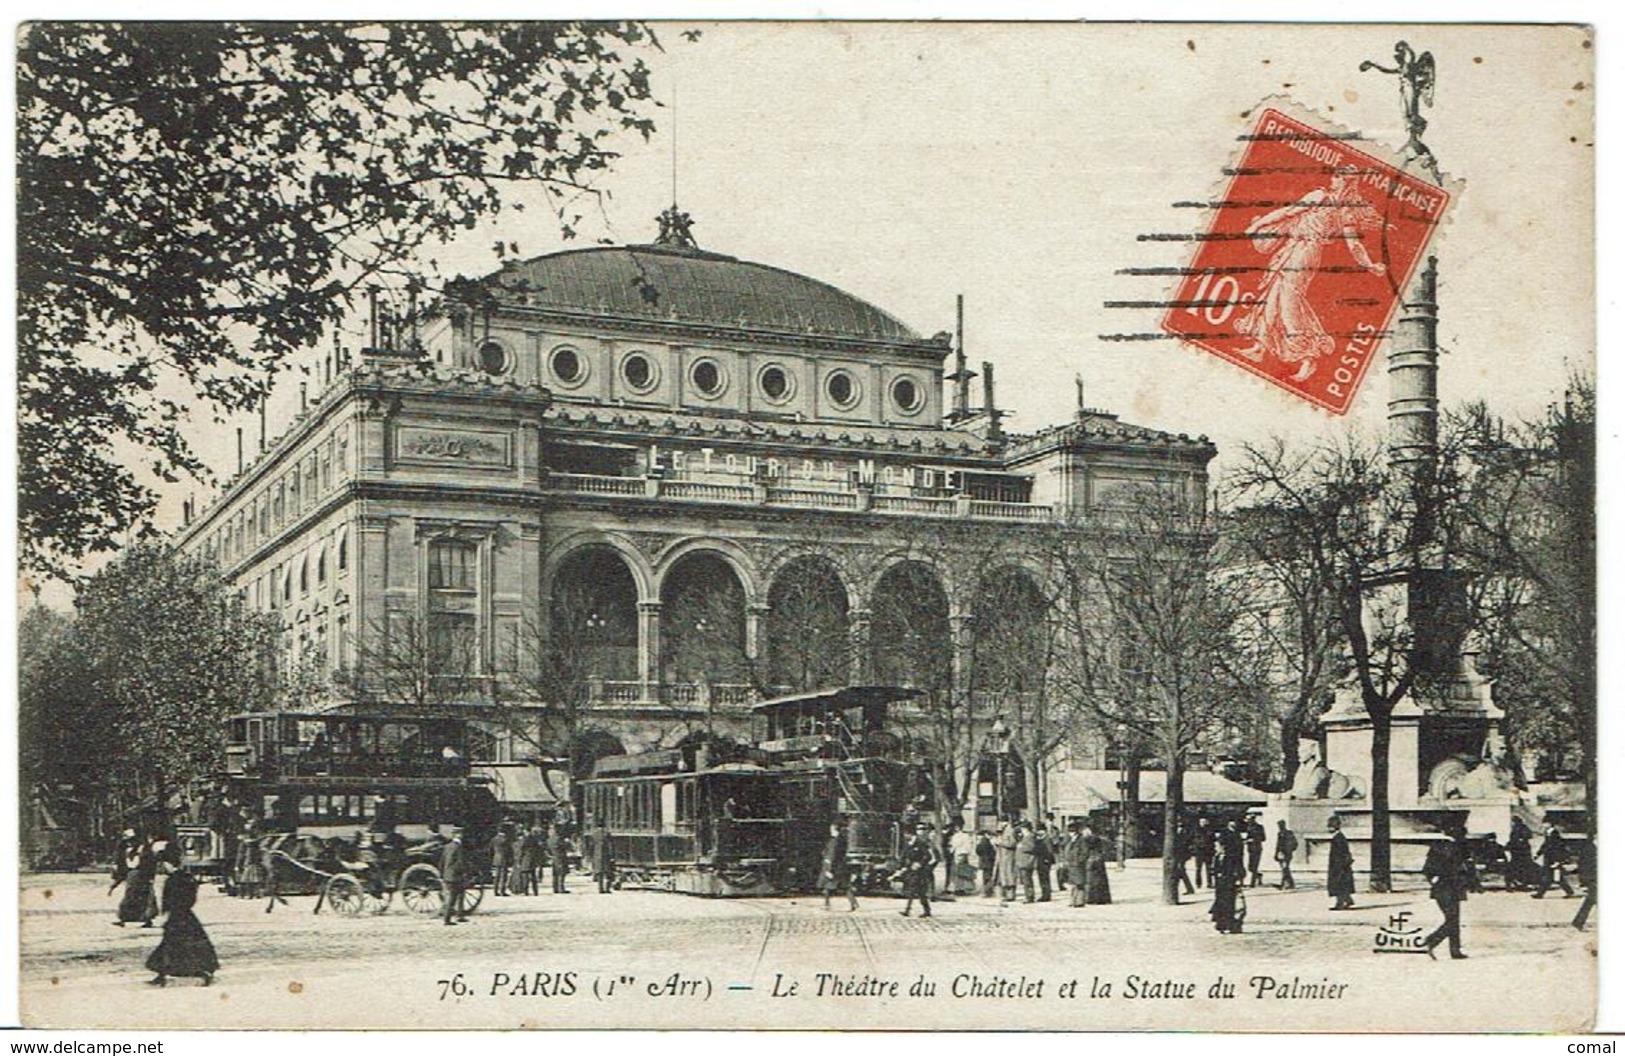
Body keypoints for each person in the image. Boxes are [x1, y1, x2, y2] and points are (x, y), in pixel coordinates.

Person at [1233, 168, 1387, 382]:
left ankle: (1308, 357)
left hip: (1304, 253)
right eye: (1335, 176)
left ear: (1347, 184)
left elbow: (1289, 213)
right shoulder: (1345, 210)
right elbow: (1354, 245)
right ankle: (1260, 347)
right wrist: (1370, 265)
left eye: (1339, 177)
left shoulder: (1325, 199)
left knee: (1289, 303)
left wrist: (1258, 225)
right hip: (1296, 249)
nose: (1333, 179)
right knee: (1272, 296)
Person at [145, 868, 219, 987]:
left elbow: (168, 900)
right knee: (188, 943)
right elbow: (190, 899)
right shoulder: (185, 878)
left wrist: (167, 913)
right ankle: (202, 970)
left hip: (177, 915)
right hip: (185, 915)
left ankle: (164, 972)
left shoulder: (174, 879)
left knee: (173, 943)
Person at [1422, 819, 1473, 959]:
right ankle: (1432, 941)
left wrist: (1433, 880)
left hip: (1441, 888)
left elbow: (1427, 869)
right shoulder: (1459, 848)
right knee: (1453, 920)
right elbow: (1466, 869)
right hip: (1452, 888)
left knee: (1453, 919)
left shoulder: (1437, 846)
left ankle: (1455, 950)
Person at [110, 829, 159, 928]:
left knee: (145, 897)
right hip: (132, 875)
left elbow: (150, 863)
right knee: (130, 897)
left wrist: (150, 876)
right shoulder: (125, 850)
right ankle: (123, 919)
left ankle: (147, 919)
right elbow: (122, 865)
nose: (129, 842)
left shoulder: (144, 849)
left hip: (142, 874)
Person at [1209, 820, 1244, 934]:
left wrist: (1238, 875)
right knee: (1222, 902)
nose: (1218, 847)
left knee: (1229, 902)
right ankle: (1221, 924)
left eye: (1219, 845)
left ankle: (1230, 924)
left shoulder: (1229, 857)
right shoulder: (1218, 857)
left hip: (1228, 880)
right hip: (1221, 883)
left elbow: (1238, 863)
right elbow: (1214, 869)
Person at [821, 819, 858, 911]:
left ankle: (827, 904)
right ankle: (853, 903)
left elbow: (834, 856)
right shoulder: (841, 840)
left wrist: (830, 870)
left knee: (828, 887)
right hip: (842, 866)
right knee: (845, 886)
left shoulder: (835, 841)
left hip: (835, 866)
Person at [899, 823, 935, 918]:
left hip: (920, 871)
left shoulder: (920, 843)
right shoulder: (908, 844)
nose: (904, 836)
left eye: (906, 834)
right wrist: (903, 866)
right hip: (911, 870)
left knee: (916, 890)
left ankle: (909, 910)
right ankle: (925, 910)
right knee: (917, 891)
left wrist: (920, 864)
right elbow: (903, 856)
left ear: (910, 834)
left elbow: (928, 856)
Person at [1533, 824, 1574, 898]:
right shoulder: (1548, 833)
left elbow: (1557, 848)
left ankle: (1540, 894)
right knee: (1552, 877)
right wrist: (1538, 854)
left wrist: (1557, 860)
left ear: (1548, 824)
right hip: (1549, 859)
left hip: (1553, 859)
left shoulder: (1554, 834)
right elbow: (1545, 845)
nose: (1543, 826)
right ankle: (1569, 892)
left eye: (1544, 824)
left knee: (1552, 877)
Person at [440, 826, 469, 926]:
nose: (462, 836)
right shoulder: (458, 847)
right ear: (457, 835)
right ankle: (447, 919)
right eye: (461, 834)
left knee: (459, 895)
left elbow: (442, 861)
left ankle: (460, 915)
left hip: (448, 875)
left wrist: (442, 874)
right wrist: (464, 872)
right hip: (456, 876)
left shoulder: (447, 846)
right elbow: (460, 862)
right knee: (453, 898)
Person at [1326, 816, 1356, 911]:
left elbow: (1340, 854)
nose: (1328, 828)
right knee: (1342, 884)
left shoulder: (1338, 838)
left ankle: (1340, 903)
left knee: (1339, 884)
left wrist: (1337, 867)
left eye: (1330, 826)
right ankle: (1347, 900)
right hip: (1341, 866)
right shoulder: (1339, 837)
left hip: (1339, 866)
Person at [1081, 823, 1113, 906]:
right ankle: (1101, 898)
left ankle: (1092, 898)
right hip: (1098, 859)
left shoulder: (1090, 839)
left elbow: (1086, 848)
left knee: (1092, 880)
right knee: (1099, 880)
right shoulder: (1099, 838)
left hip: (1092, 859)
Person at [1572, 835, 1596, 931]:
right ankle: (1578, 921)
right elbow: (1582, 866)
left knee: (1590, 900)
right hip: (1593, 879)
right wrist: (1584, 881)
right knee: (1591, 900)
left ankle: (1578, 922)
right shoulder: (1588, 849)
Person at [1062, 822, 1089, 907]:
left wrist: (1079, 861)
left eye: (1073, 831)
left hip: (1078, 865)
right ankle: (1073, 900)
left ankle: (1080, 901)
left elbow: (1085, 853)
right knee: (1072, 884)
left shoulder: (1081, 840)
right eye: (1070, 831)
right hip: (1071, 865)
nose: (1071, 833)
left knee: (1079, 884)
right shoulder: (1070, 840)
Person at [1506, 817, 1536, 892]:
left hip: (1520, 853)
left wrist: (1509, 846)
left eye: (1512, 822)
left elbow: (1515, 841)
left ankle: (1515, 885)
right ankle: (1520, 884)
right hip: (1520, 853)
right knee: (1521, 870)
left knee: (1516, 869)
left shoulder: (1519, 829)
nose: (1511, 824)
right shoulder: (1521, 828)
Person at [948, 821, 976, 896]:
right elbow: (969, 846)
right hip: (964, 854)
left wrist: (950, 851)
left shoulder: (956, 836)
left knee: (958, 871)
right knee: (964, 871)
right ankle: (964, 887)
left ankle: (958, 888)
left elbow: (954, 845)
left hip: (958, 854)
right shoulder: (966, 836)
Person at [994, 819, 1019, 903]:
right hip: (1003, 857)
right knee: (1004, 876)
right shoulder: (1003, 831)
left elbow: (1012, 843)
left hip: (1008, 857)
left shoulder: (1010, 831)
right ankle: (1005, 894)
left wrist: (1001, 843)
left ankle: (1011, 895)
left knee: (1009, 876)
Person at [1014, 822, 1037, 904]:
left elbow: (1031, 847)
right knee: (1025, 880)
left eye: (1022, 829)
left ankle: (1029, 897)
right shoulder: (1026, 837)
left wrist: (1021, 846)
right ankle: (1028, 895)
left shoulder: (1030, 837)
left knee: (1027, 880)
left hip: (1027, 861)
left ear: (1026, 829)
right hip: (1023, 861)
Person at [1032, 821, 1055, 902]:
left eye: (1040, 830)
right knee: (1041, 878)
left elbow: (1050, 850)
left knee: (1045, 878)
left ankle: (1046, 895)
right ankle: (1044, 893)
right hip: (1040, 860)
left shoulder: (1047, 839)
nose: (1038, 832)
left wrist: (1047, 859)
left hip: (1045, 861)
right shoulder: (1040, 839)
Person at [1172, 821, 1196, 896]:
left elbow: (1186, 844)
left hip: (1183, 854)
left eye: (1181, 826)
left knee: (1180, 870)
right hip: (1178, 855)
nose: (1179, 828)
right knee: (1181, 871)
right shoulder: (1175, 834)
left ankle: (1187, 888)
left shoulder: (1185, 834)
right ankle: (1189, 888)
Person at [1273, 820, 1298, 890]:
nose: (1280, 827)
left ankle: (1284, 884)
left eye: (1280, 825)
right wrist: (1276, 853)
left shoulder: (1289, 833)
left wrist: (1289, 850)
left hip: (1287, 854)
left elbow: (1294, 843)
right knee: (1285, 869)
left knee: (1285, 868)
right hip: (1281, 854)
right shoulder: (1280, 833)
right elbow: (1278, 845)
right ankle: (1291, 884)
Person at [1245, 813, 1267, 887]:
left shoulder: (1260, 827)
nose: (1248, 821)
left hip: (1257, 848)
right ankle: (1259, 875)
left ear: (1253, 819)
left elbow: (1263, 838)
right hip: (1250, 849)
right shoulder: (1249, 827)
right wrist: (1247, 840)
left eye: (1249, 820)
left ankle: (1252, 883)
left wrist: (1254, 840)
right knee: (1250, 867)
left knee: (1254, 866)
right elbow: (1248, 837)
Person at [592, 822, 615, 894]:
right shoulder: (606, 834)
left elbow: (592, 845)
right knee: (609, 872)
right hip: (606, 855)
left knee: (599, 872)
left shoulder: (594, 834)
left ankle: (600, 888)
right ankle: (607, 888)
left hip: (597, 855)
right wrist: (612, 855)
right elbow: (610, 845)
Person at [490, 824, 511, 896]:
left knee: (496, 876)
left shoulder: (494, 839)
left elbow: (491, 850)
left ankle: (495, 891)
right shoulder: (505, 839)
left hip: (496, 858)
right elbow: (509, 850)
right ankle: (502, 891)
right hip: (504, 859)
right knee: (503, 876)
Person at [548, 823, 569, 894]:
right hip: (560, 856)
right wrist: (567, 842)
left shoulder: (549, 839)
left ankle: (555, 888)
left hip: (554, 857)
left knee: (555, 873)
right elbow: (564, 846)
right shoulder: (559, 839)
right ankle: (561, 888)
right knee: (561, 873)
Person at [975, 829, 996, 898]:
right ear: (986, 835)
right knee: (987, 877)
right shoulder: (986, 842)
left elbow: (977, 851)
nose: (991, 837)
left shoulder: (982, 841)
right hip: (988, 862)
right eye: (990, 835)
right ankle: (987, 892)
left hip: (984, 862)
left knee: (986, 877)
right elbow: (991, 852)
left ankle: (987, 891)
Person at [1193, 817, 1212, 889]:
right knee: (1198, 868)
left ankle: (1209, 883)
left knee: (1209, 868)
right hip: (1199, 851)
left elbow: (1212, 840)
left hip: (1208, 852)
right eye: (1202, 822)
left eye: (1205, 822)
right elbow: (1194, 840)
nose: (1203, 823)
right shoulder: (1196, 830)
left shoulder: (1209, 830)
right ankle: (1198, 883)